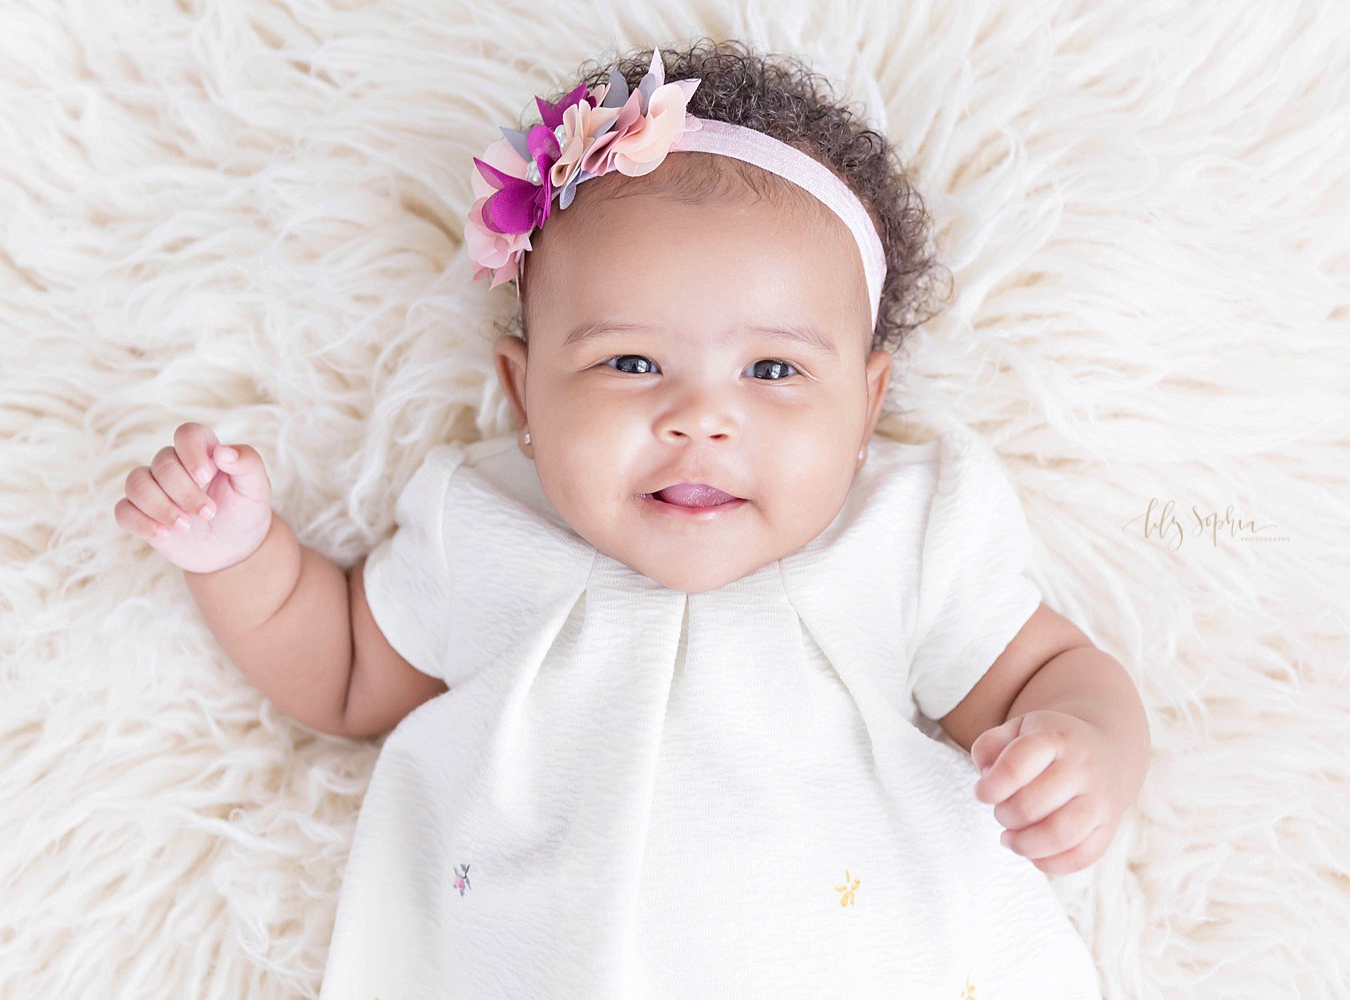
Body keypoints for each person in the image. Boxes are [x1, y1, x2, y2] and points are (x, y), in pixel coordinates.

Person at [115, 39, 1148, 999]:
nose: (700, 418)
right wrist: (242, 555)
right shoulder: (479, 529)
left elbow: (1043, 672)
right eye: (631, 363)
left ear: (867, 406)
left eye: (773, 370)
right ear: (524, 396)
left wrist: (1081, 745)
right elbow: (343, 668)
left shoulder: (900, 535)